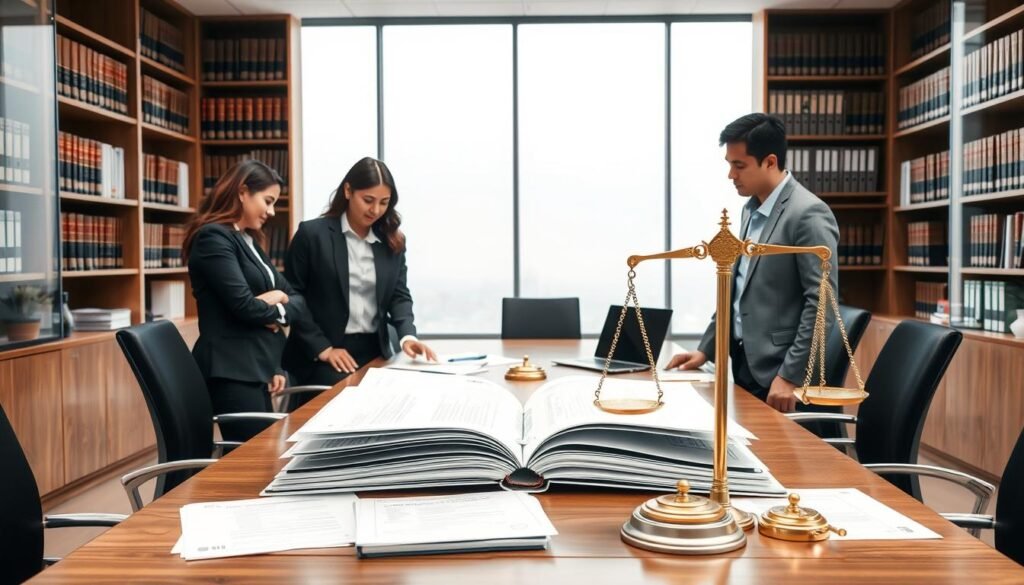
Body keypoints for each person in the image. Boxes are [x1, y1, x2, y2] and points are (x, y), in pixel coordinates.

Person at [668, 113, 839, 414]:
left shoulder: (808, 214)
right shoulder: (751, 210)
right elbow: (737, 290)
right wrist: (705, 350)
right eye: (729, 164)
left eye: (739, 165)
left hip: (779, 373)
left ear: (770, 162)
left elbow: (821, 304)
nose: (731, 175)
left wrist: (789, 376)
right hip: (746, 364)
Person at [283, 157, 435, 394]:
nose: (375, 210)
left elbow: (399, 295)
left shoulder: (391, 240)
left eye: (384, 203)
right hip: (322, 352)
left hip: (374, 350)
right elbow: (294, 297)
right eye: (368, 200)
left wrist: (407, 337)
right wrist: (323, 348)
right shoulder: (312, 235)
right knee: (345, 404)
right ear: (347, 191)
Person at [183, 159, 305, 441]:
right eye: (268, 200)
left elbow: (297, 299)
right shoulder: (213, 238)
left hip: (255, 367)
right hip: (231, 371)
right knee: (255, 461)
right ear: (242, 192)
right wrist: (277, 299)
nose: (272, 211)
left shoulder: (249, 241)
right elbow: (244, 306)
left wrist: (274, 363)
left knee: (265, 456)